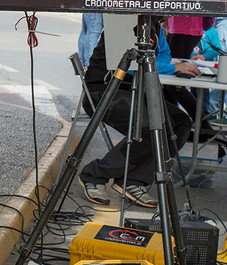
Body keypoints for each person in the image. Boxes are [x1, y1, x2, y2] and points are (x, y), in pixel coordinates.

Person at [79, 23, 197, 209]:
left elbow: (163, 52)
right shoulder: (126, 22)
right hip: (105, 93)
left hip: (132, 93)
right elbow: (134, 65)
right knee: (151, 127)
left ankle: (133, 180)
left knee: (180, 123)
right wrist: (172, 68)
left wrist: (166, 65)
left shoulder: (154, 24)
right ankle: (95, 174)